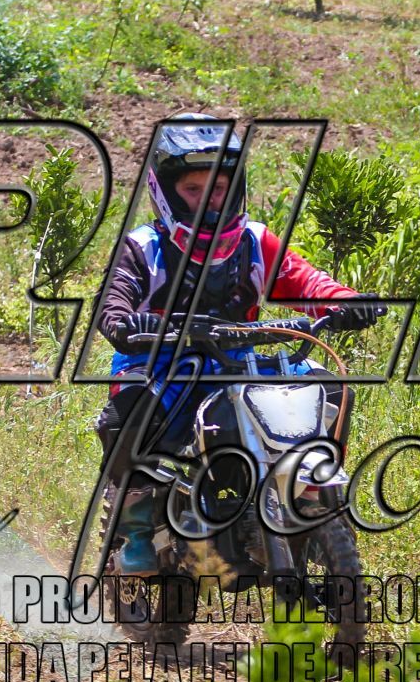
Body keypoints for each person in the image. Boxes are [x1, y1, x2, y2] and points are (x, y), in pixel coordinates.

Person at [93, 115, 388, 573]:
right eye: (193, 189)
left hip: (238, 359)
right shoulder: (143, 247)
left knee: (327, 387)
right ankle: (135, 530)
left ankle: (312, 490)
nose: (209, 200)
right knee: (130, 411)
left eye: (218, 188)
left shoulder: (254, 241)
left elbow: (306, 281)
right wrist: (123, 321)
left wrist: (347, 302)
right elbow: (113, 301)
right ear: (166, 191)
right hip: (161, 360)